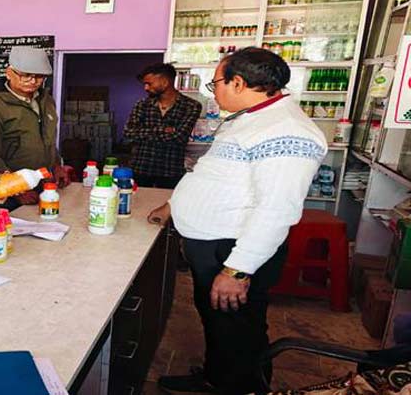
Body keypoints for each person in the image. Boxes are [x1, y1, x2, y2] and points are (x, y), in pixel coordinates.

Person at [148, 48, 327, 394]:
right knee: (219, 322)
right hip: (216, 245)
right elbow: (217, 175)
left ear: (239, 83)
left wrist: (237, 271)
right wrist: (173, 205)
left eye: (215, 83)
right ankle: (216, 378)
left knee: (239, 330)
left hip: (233, 250)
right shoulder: (249, 118)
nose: (212, 90)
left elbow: (276, 209)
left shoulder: (287, 131)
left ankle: (242, 387)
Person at [0, 47, 70, 207]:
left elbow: (48, 139)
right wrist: (16, 189)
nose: (33, 81)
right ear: (9, 73)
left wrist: (57, 165)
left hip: (44, 186)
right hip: (7, 194)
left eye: (39, 76)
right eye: (25, 75)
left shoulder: (46, 101)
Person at [123, 63, 202, 189]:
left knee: (168, 201)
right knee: (137, 200)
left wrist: (144, 133)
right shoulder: (142, 105)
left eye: (149, 83)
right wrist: (164, 130)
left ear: (165, 82)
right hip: (141, 168)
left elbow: (179, 137)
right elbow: (129, 133)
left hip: (170, 171)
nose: (146, 88)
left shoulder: (191, 106)